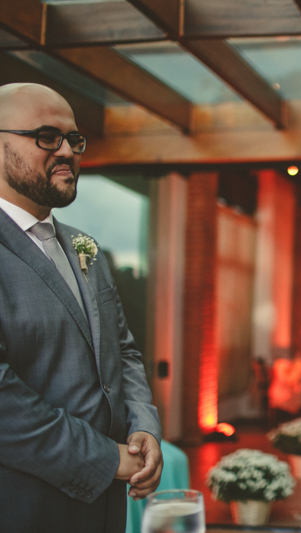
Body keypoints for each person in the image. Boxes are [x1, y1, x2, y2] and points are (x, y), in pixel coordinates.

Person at [0, 83, 162, 533]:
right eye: (47, 137)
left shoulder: (85, 246)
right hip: (21, 507)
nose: (68, 151)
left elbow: (123, 350)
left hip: (104, 511)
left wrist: (143, 425)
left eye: (74, 139)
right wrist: (107, 458)